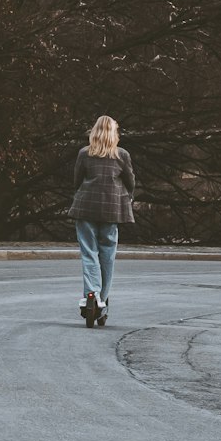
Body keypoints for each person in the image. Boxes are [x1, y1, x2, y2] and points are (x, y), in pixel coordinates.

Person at [67, 115, 135, 325]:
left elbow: (77, 180)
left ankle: (92, 294)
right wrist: (126, 196)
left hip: (86, 207)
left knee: (89, 253)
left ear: (94, 132)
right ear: (114, 133)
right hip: (111, 210)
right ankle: (102, 300)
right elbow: (130, 181)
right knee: (107, 255)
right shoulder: (121, 155)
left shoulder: (85, 154)